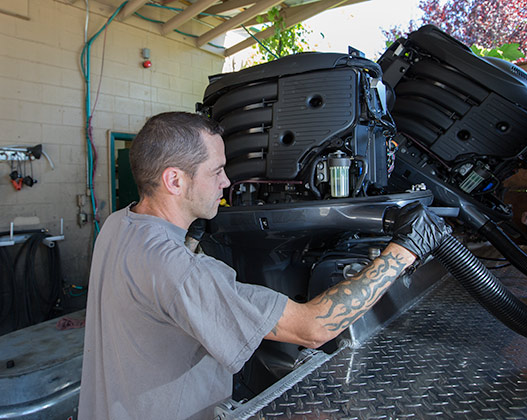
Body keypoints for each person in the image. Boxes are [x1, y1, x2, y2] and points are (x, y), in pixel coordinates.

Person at [78, 112, 451, 420]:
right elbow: (313, 328)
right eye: (216, 171)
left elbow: (154, 290)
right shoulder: (179, 271)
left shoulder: (118, 224)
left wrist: (192, 234)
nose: (227, 181)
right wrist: (404, 251)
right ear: (174, 180)